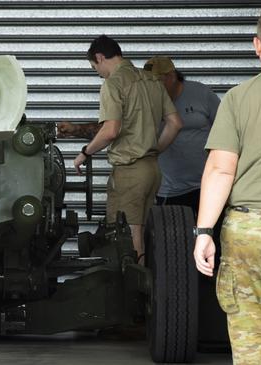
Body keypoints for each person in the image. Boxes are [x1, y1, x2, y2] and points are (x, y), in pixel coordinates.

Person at [193, 5, 261, 364]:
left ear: (257, 45)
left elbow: (220, 169)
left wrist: (204, 231)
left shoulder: (238, 98)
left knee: (254, 343)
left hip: (250, 231)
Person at [58, 35, 182, 261]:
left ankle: (135, 294)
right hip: (153, 170)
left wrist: (84, 153)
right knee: (142, 234)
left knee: (129, 238)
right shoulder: (151, 80)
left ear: (99, 57)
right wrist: (153, 150)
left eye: (94, 67)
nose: (97, 73)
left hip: (130, 173)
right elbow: (175, 124)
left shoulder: (113, 83)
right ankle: (147, 288)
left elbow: (110, 130)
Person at [144, 56, 221, 214]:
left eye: (156, 83)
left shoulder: (200, 93)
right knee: (173, 236)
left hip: (207, 184)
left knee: (213, 235)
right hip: (171, 190)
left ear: (171, 77)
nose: (152, 88)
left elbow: (225, 128)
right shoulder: (147, 101)